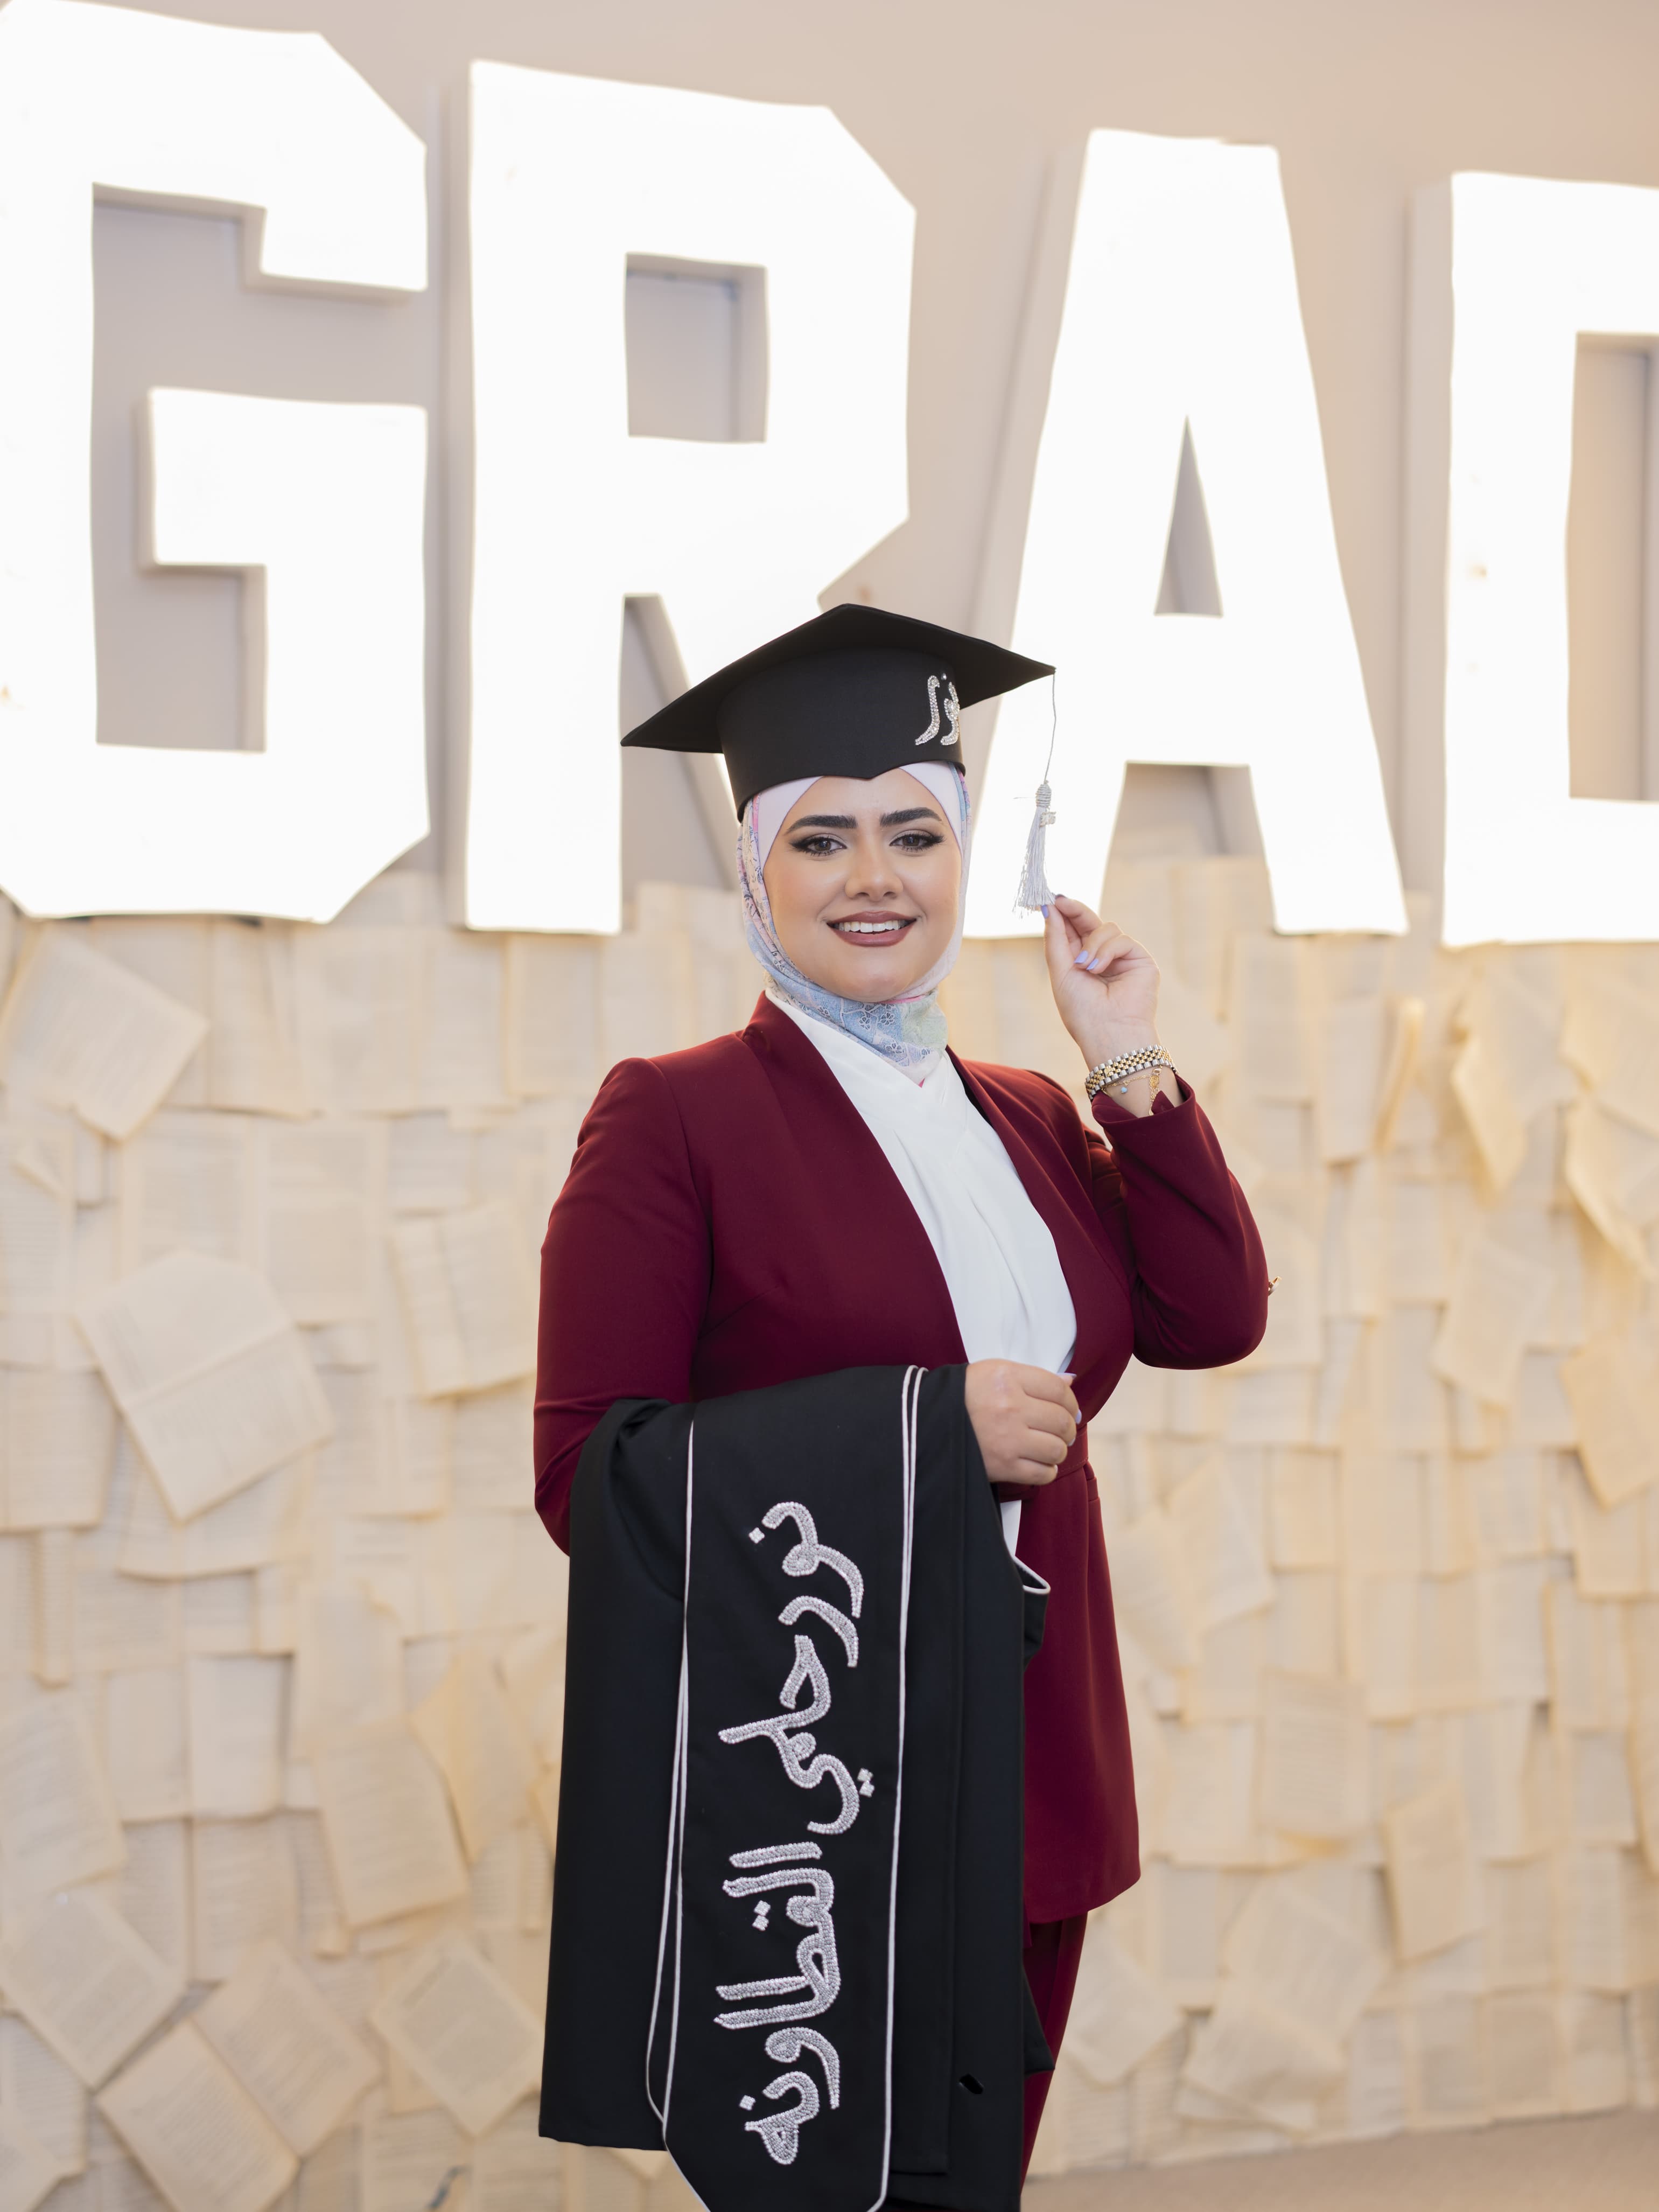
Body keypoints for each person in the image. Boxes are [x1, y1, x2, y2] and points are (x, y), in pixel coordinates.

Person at [534, 604, 1269, 2198]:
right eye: (823, 838)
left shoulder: (1027, 1112)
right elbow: (591, 1473)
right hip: (824, 1780)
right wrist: (929, 1430)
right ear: (757, 871)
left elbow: (1210, 1316)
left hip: (1035, 1761)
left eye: (914, 834)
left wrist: (1124, 1054)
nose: (875, 876)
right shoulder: (674, 1119)